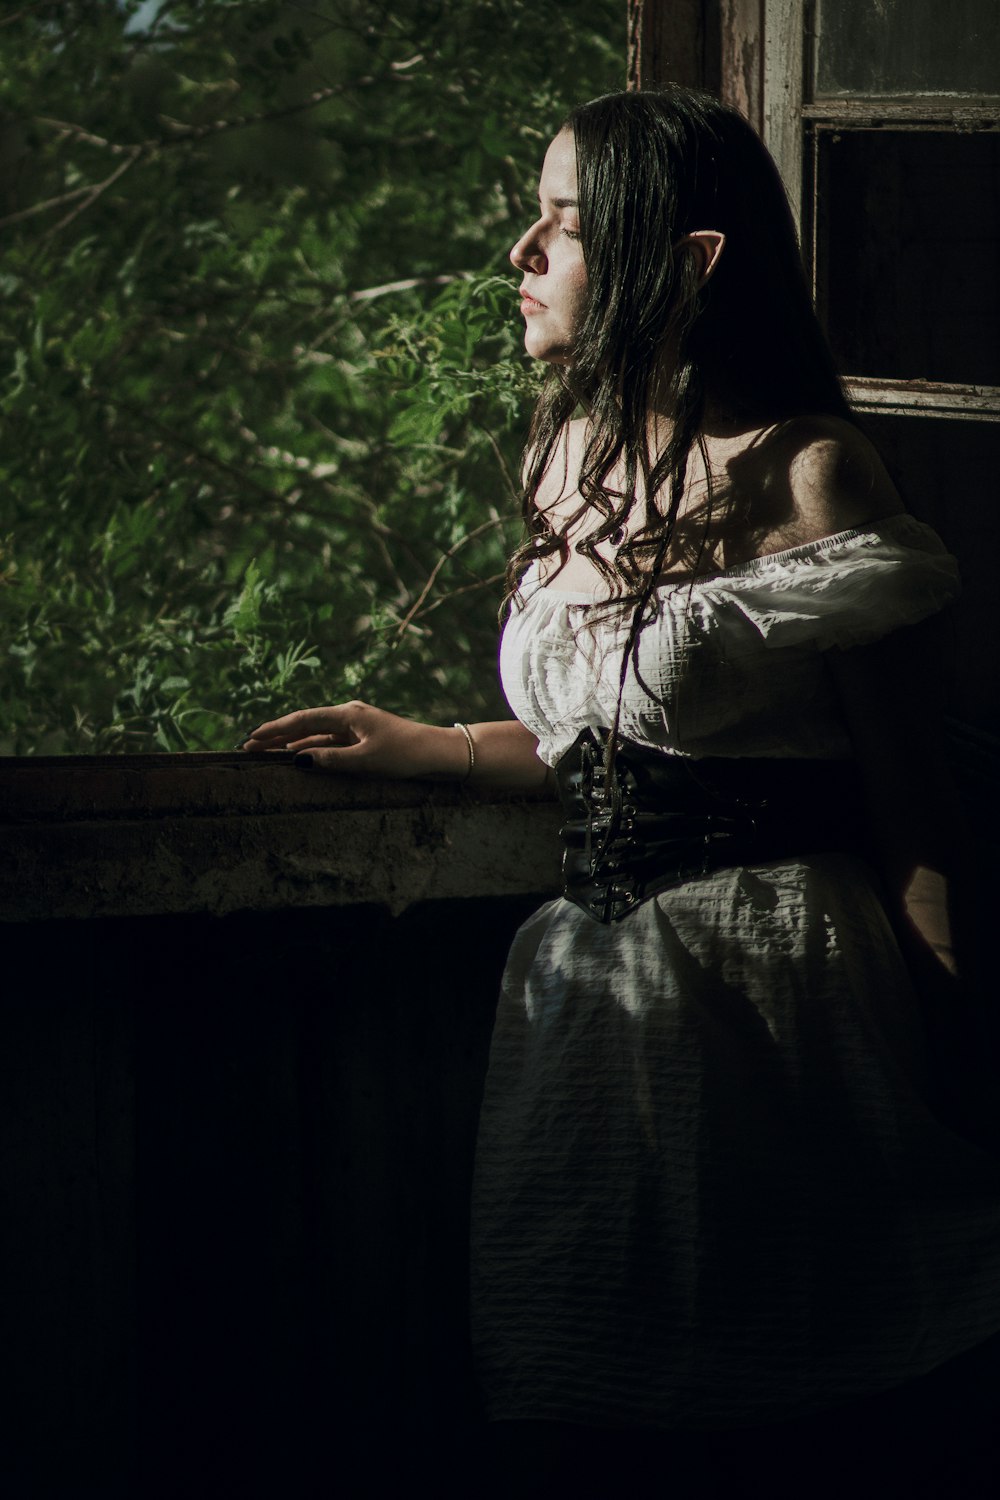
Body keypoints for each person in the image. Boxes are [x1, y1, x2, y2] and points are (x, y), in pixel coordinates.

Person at [242, 88, 1000, 1496]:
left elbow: (909, 804)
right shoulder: (566, 462)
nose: (521, 253)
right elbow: (609, 730)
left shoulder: (811, 473)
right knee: (578, 1398)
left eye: (565, 225)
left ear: (694, 262)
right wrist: (427, 743)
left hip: (780, 995)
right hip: (590, 1007)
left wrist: (956, 1033)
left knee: (804, 1413)